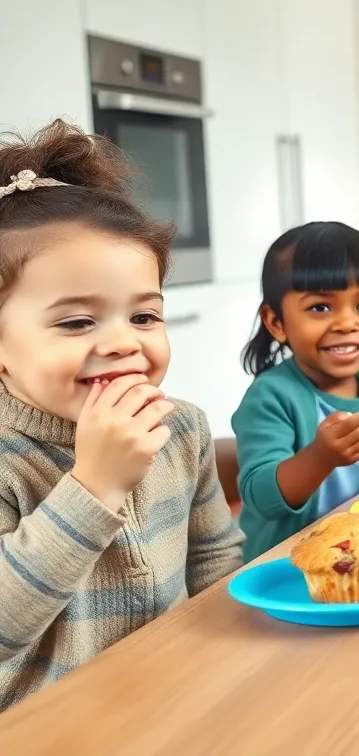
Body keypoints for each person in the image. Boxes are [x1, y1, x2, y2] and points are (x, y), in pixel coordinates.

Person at [0, 120, 242, 708]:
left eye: (144, 317)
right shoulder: (9, 462)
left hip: (175, 701)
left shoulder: (179, 427)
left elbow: (216, 563)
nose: (123, 343)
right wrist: (94, 485)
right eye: (78, 321)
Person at [232, 222, 359, 561]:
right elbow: (261, 496)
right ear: (277, 323)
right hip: (291, 564)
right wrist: (320, 457)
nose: (347, 323)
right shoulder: (271, 396)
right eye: (320, 307)